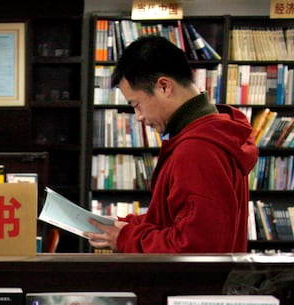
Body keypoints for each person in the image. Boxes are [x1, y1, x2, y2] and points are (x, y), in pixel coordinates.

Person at [84, 35, 259, 253]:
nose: (138, 116)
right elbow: (175, 217)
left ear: (164, 86)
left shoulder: (197, 149)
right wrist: (126, 225)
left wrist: (126, 238)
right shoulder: (213, 132)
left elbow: (196, 245)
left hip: (189, 286)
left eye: (136, 104)